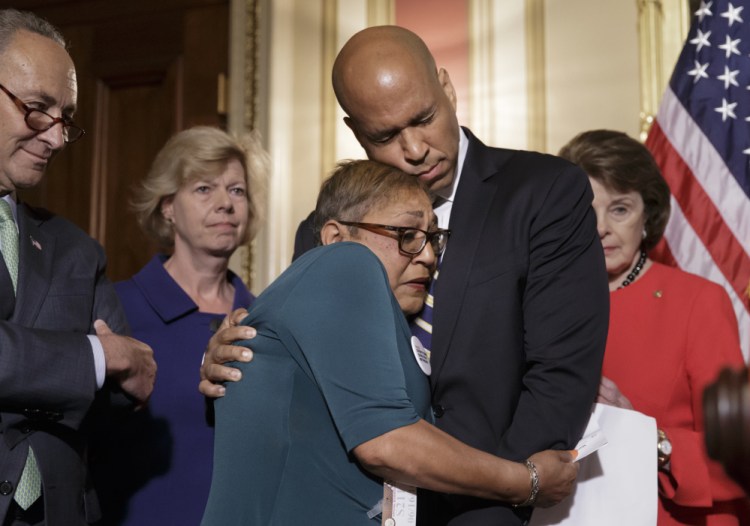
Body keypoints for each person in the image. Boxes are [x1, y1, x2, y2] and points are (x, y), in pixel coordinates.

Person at [200, 25, 609, 526]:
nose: (415, 149)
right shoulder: (326, 233)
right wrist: (238, 364)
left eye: (424, 118)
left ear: (448, 89)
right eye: (386, 136)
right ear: (355, 133)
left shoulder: (543, 193)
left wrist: (503, 500)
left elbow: (559, 377)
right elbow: (316, 379)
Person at [200, 159, 578, 525]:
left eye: (433, 238)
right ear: (335, 237)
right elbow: (386, 441)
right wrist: (526, 481)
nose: (429, 255)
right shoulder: (343, 262)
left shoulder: (359, 315)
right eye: (407, 234)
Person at [0, 8, 156, 526]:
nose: (57, 137)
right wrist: (93, 356)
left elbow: (124, 387)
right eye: (37, 108)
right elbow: (105, 360)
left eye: (65, 117)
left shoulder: (75, 249)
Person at [558, 129, 749, 525]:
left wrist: (650, 439)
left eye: (620, 209)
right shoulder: (541, 303)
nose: (600, 228)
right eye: (585, 210)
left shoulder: (698, 302)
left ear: (648, 215)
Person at [89, 127, 266, 525]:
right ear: (167, 206)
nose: (225, 204)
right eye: (204, 189)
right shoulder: (117, 307)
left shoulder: (265, 320)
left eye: (237, 191)